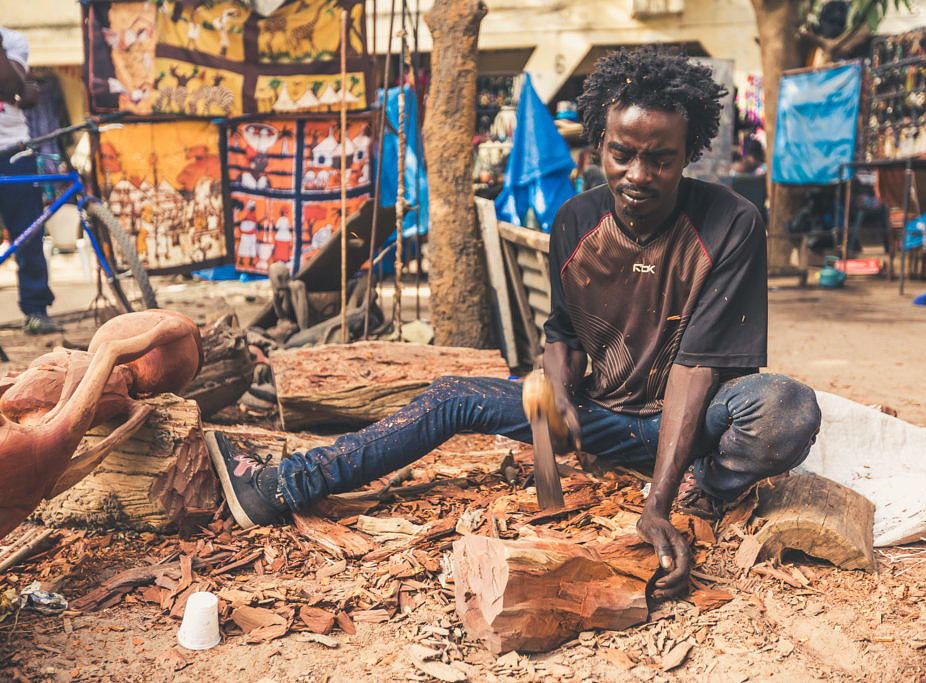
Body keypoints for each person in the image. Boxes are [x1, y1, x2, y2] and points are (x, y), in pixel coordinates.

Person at [209, 47, 822, 600]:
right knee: (452, 396)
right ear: (597, 146)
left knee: (784, 406)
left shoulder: (731, 222)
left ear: (689, 154)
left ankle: (702, 490)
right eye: (622, 154)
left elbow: (698, 366)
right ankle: (283, 484)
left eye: (660, 159)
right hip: (602, 420)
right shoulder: (574, 221)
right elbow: (562, 332)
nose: (639, 174)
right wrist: (555, 394)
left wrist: (657, 505)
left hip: (691, 423)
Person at [0, 26, 59, 334]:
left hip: (14, 151)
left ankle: (36, 312)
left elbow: (11, 86)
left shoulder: (13, 40)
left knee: (29, 233)